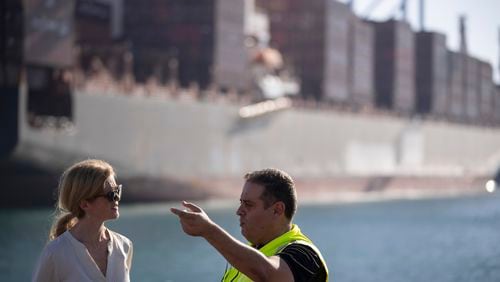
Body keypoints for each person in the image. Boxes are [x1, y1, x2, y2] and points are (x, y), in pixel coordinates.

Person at [171, 168, 329, 282]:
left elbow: (268, 275)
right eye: (241, 203)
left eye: (248, 204)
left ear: (277, 210)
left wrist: (209, 231)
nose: (239, 211)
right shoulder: (249, 254)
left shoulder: (305, 254)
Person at [32, 159, 133, 282]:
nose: (116, 199)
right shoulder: (55, 254)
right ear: (85, 204)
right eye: (110, 195)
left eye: (117, 191)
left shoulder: (124, 246)